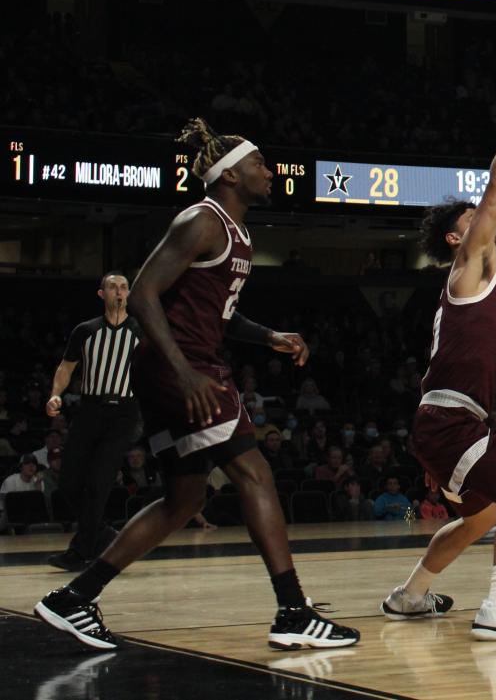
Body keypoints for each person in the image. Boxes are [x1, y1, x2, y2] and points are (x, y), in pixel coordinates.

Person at [35, 118, 358, 651]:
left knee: (182, 500)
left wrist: (269, 335)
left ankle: (73, 598)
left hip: (184, 366)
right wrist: (184, 371)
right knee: (254, 473)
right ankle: (293, 611)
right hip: (184, 369)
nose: (270, 171)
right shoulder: (202, 219)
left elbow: (219, 315)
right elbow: (142, 294)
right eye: (259, 164)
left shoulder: (236, 232)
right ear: (228, 176)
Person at [379, 68, 496, 640]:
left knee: (481, 516)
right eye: (472, 218)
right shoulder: (469, 264)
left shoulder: (478, 273)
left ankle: (408, 597)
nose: (484, 218)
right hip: (452, 418)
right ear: (458, 239)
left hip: (448, 418)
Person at [45, 272, 143, 572]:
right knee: (68, 481)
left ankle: (81, 552)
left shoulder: (143, 330)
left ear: (129, 293)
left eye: (124, 287)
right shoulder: (85, 330)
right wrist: (55, 395)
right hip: (90, 410)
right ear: (101, 294)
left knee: (98, 483)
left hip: (124, 413)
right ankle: (102, 535)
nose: (119, 291)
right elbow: (66, 366)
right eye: (112, 286)